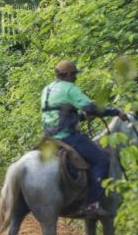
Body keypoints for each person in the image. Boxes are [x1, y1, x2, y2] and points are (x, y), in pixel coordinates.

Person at [41, 60, 128, 216]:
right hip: (66, 136)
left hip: (48, 137)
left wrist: (79, 116)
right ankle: (93, 204)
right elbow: (91, 107)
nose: (75, 78)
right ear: (67, 75)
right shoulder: (70, 88)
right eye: (74, 74)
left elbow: (57, 113)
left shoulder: (47, 89)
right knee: (101, 160)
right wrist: (115, 112)